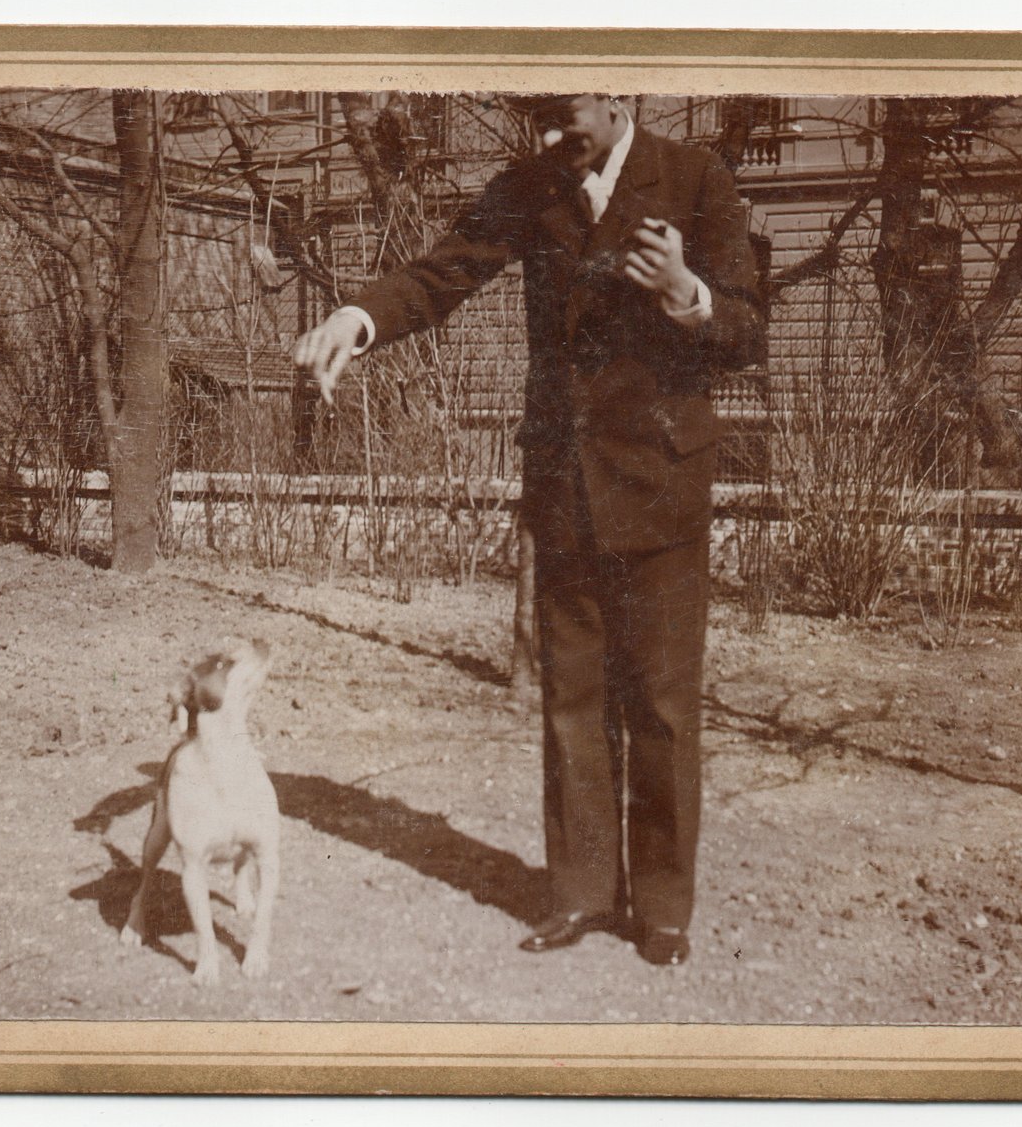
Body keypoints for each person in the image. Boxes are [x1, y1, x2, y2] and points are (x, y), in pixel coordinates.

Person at [292, 93, 764, 965]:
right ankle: (581, 893)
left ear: (614, 95)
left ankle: (662, 908)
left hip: (660, 485)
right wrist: (357, 318)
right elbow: (442, 273)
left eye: (561, 115)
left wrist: (686, 293)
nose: (548, 138)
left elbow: (747, 332)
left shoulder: (696, 177)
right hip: (565, 482)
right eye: (535, 118)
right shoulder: (532, 182)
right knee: (573, 701)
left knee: (662, 708)